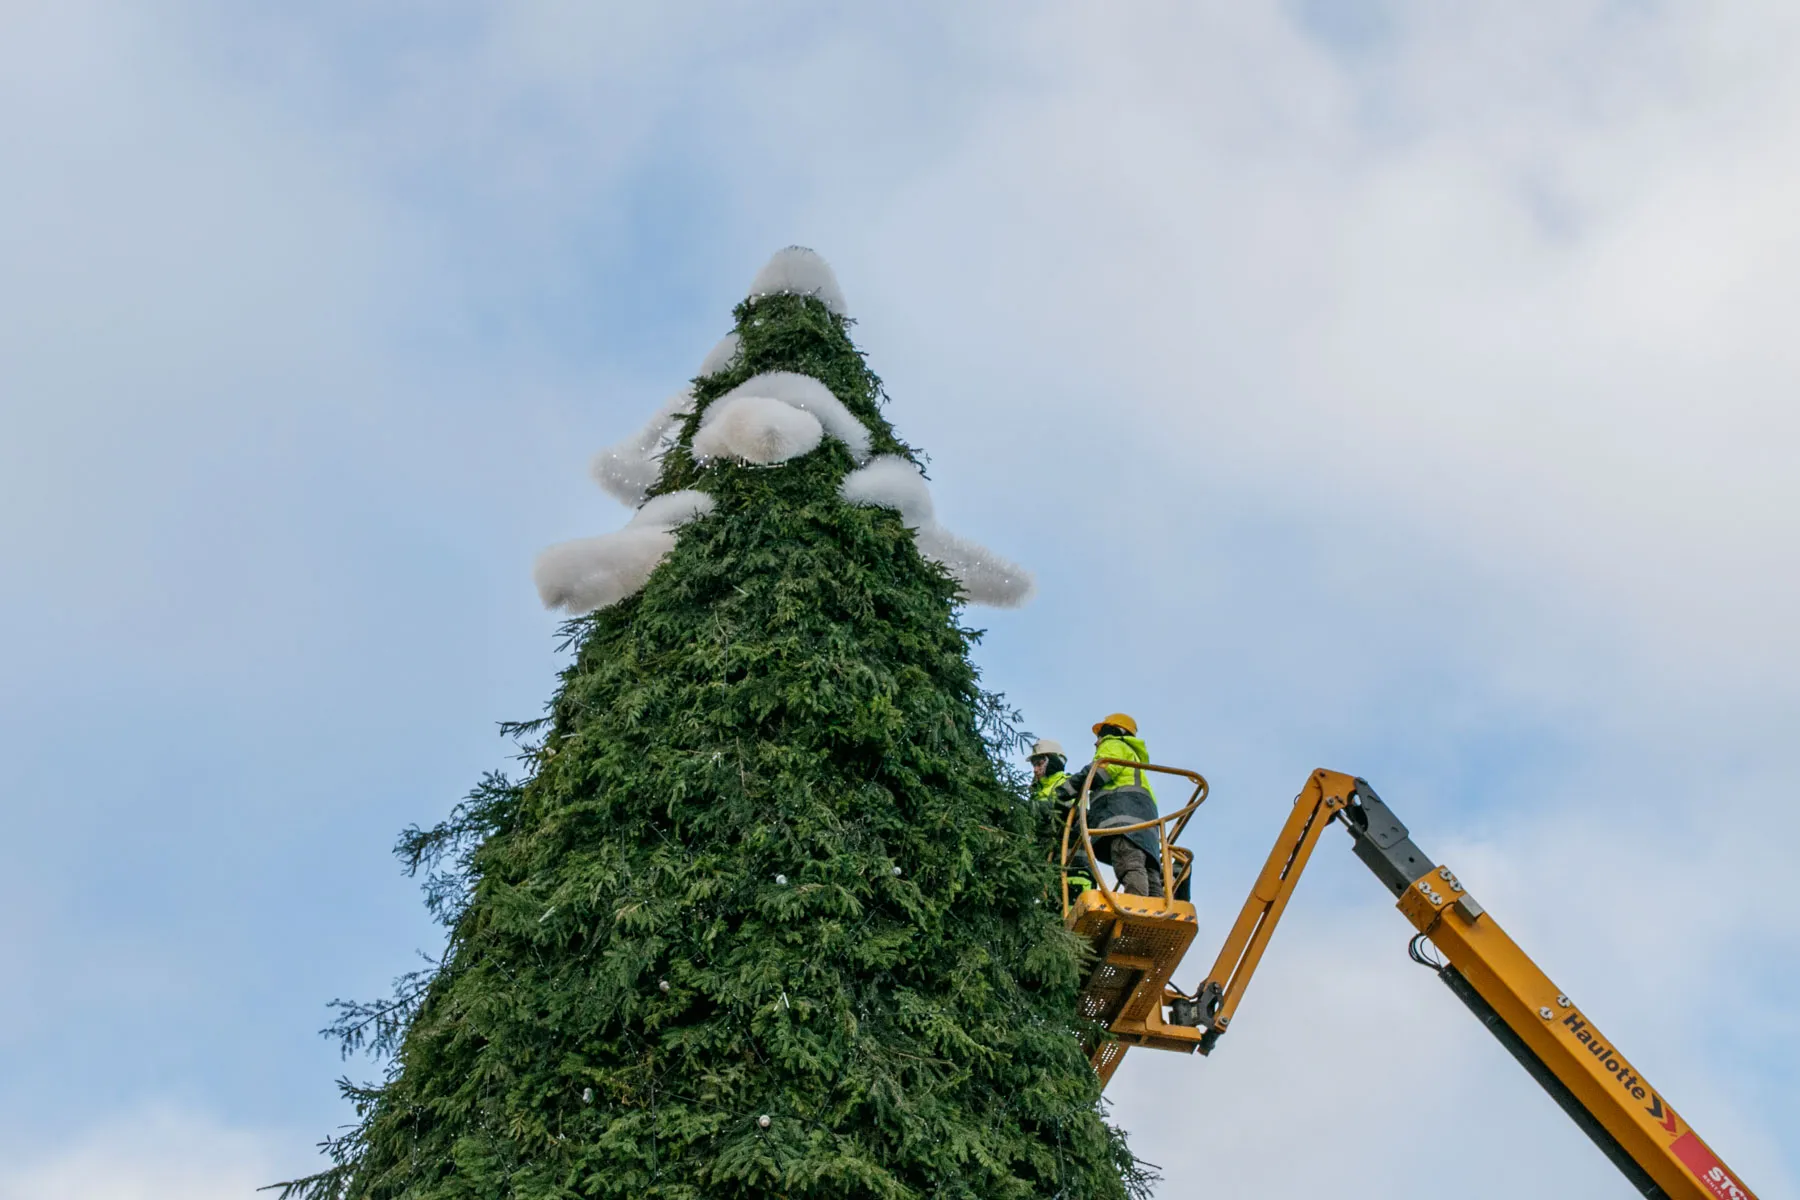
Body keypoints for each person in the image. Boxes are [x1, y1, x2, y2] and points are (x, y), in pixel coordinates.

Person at [1067, 713, 1162, 898]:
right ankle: (1156, 910)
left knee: (1128, 863)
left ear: (1112, 731)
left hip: (1123, 823)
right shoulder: (1134, 761)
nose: (1097, 743)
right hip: (1147, 828)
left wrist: (1069, 787)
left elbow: (1101, 772)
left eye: (1099, 736)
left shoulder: (1114, 745)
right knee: (1150, 873)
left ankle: (1137, 909)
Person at [1027, 738, 1093, 894]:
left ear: (1054, 762)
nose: (1035, 770)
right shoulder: (1036, 794)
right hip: (1047, 871)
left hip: (1073, 866)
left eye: (1039, 764)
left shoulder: (1068, 784)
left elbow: (1072, 812)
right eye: (1033, 765)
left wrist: (1035, 809)